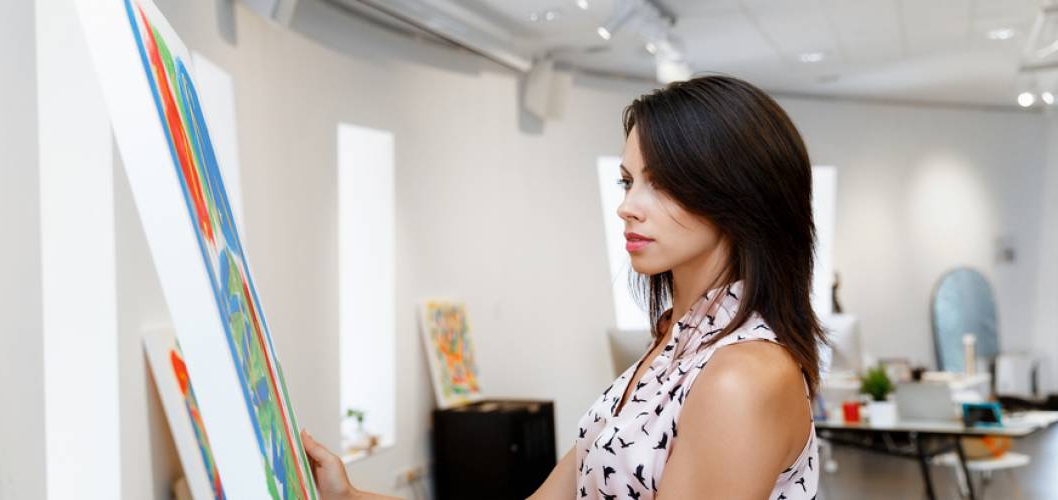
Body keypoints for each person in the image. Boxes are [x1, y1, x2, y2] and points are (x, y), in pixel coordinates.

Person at [301, 74, 826, 499]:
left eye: (662, 182)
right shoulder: (674, 345)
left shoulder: (742, 378)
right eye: (628, 181)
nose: (627, 205)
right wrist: (351, 498)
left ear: (739, 195)